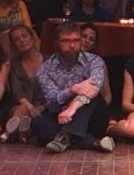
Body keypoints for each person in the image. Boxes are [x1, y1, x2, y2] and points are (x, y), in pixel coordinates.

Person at [33, 20, 114, 153]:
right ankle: (93, 143)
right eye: (66, 41)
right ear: (56, 42)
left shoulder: (94, 61)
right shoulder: (45, 69)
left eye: (76, 40)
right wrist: (72, 90)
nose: (72, 45)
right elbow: (52, 97)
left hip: (92, 117)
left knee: (92, 94)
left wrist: (73, 107)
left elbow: (94, 89)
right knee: (37, 124)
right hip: (62, 115)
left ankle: (65, 136)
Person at [4, 23, 43, 142]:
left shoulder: (48, 60)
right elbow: (17, 92)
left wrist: (43, 107)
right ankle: (17, 133)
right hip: (22, 105)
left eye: (24, 36)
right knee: (22, 109)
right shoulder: (14, 64)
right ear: (14, 45)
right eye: (16, 39)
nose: (21, 40)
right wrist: (30, 107)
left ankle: (15, 134)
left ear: (32, 37)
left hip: (44, 107)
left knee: (30, 118)